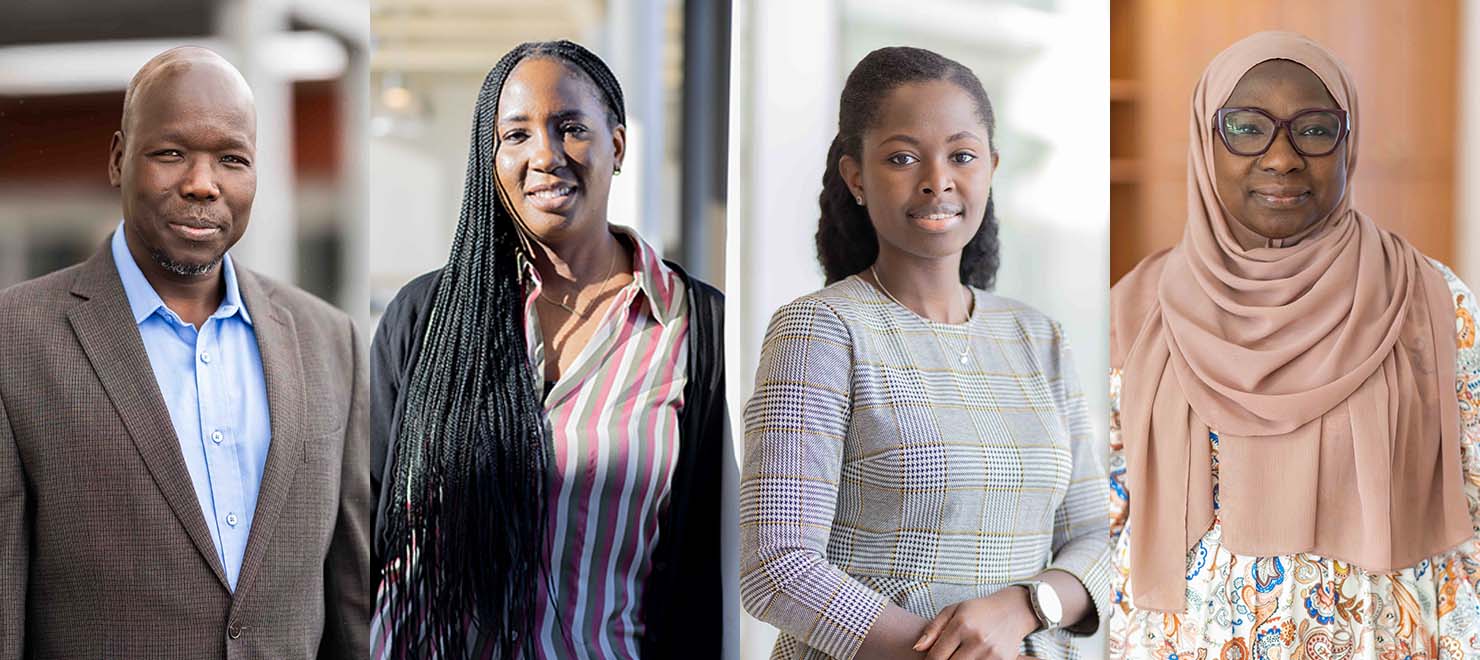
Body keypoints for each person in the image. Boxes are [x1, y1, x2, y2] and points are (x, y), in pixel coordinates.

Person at [1108, 31, 1480, 660]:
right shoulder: (1137, 310)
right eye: (1247, 128)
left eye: (1313, 129)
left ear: (1348, 141)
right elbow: (1100, 513)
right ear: (1206, 139)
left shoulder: (1431, 299)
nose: (1281, 158)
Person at [740, 46, 1111, 660]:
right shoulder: (821, 330)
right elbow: (777, 563)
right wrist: (951, 654)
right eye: (903, 157)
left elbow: (1096, 538)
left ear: (990, 167)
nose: (937, 179)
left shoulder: (1040, 337)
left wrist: (1023, 607)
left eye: (962, 156)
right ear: (856, 176)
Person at [0, 46, 370, 658]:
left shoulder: (332, 343)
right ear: (119, 159)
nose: (203, 184)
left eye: (232, 159)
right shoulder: (16, 339)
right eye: (171, 153)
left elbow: (352, 603)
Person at [369, 40, 726, 659]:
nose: (545, 155)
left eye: (570, 128)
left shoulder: (695, 328)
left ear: (616, 145)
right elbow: (359, 525)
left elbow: (707, 560)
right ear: (492, 157)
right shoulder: (424, 318)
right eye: (516, 135)